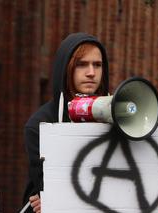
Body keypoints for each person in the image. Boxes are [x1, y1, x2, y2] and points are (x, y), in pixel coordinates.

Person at [22, 32, 109, 213]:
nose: (91, 72)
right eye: (82, 65)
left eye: (98, 65)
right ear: (66, 68)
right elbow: (48, 188)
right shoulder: (40, 124)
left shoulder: (110, 114)